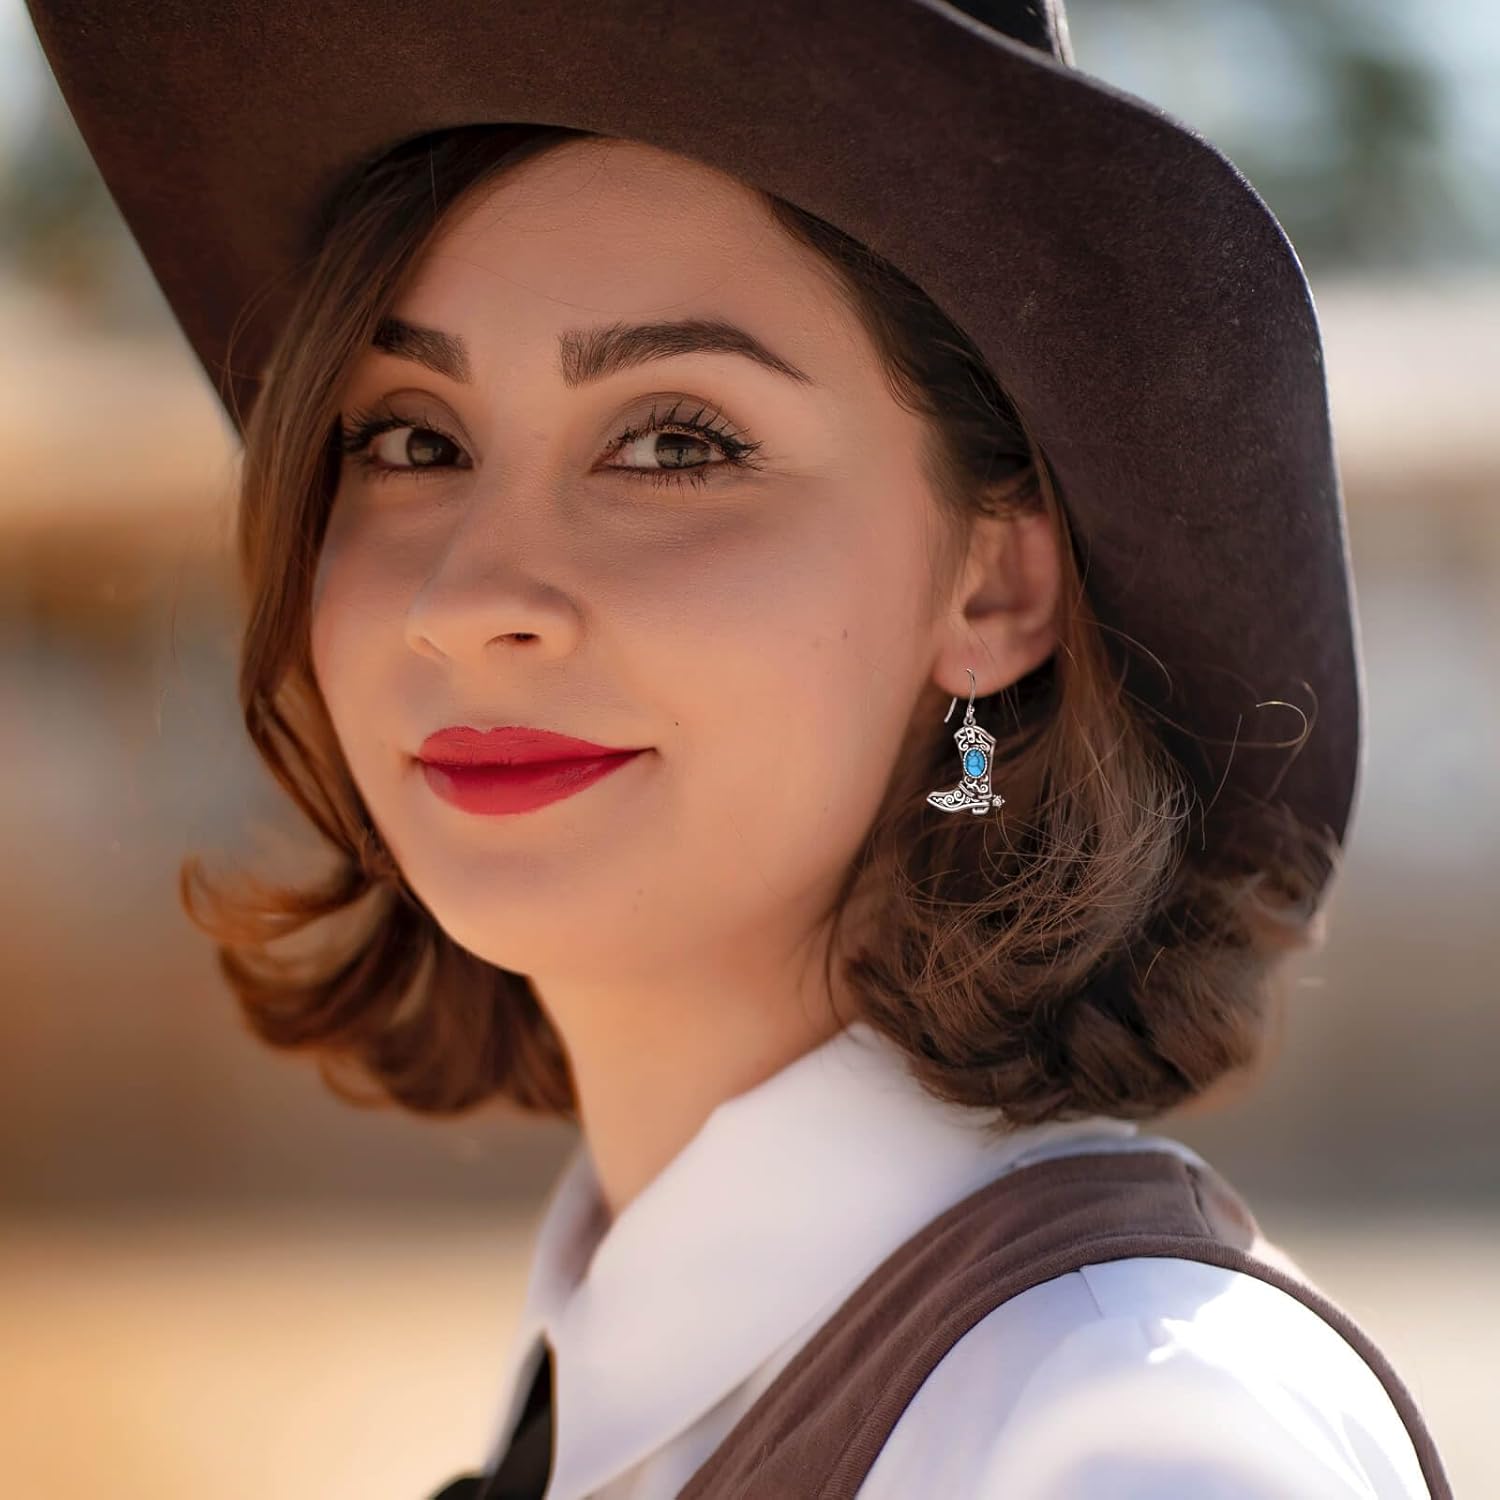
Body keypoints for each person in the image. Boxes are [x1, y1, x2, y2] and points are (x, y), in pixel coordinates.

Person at [24, 1, 1454, 1496]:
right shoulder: (643, 1375)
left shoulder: (1113, 1428)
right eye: (411, 439)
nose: (467, 601)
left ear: (994, 587)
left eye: (674, 443)